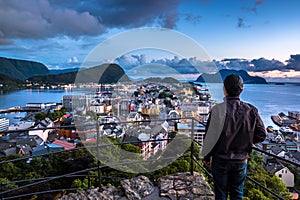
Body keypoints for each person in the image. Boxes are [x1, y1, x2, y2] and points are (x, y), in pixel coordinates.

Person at [202, 74, 266, 200]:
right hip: (241, 159)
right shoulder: (251, 110)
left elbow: (209, 137)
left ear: (224, 89)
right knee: (237, 194)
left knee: (221, 194)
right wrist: (248, 141)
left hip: (220, 159)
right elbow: (262, 134)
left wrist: (206, 157)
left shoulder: (217, 110)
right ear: (241, 90)